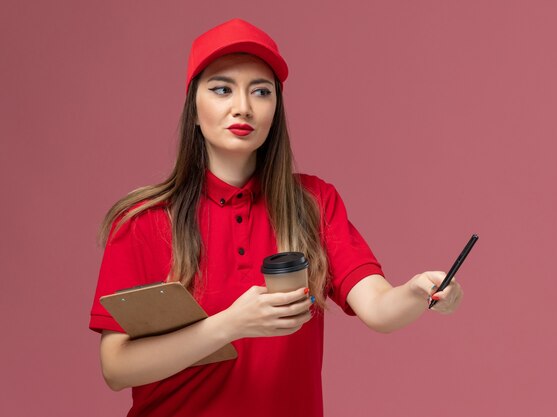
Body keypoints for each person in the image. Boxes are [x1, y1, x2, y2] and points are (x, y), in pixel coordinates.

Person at [89, 18, 463, 417]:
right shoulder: (144, 222)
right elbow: (115, 367)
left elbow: (378, 308)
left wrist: (418, 290)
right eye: (221, 89)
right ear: (193, 110)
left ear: (275, 110)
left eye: (261, 92)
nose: (243, 107)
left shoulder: (313, 203)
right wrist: (231, 324)